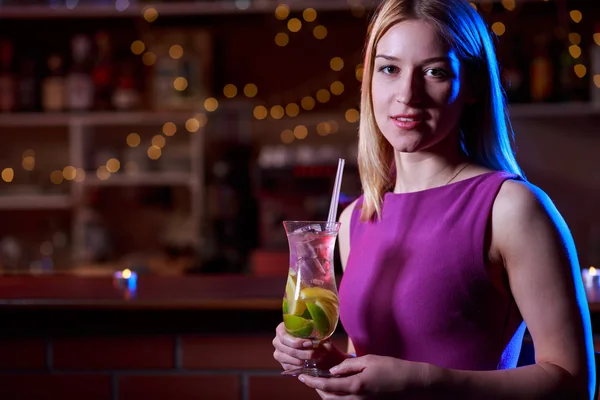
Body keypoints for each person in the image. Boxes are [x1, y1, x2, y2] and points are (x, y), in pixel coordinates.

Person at [272, 0, 596, 398]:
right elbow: (367, 378)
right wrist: (328, 370)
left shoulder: (511, 208)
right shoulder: (356, 217)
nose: (407, 94)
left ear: (474, 85)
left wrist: (421, 381)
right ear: (370, 80)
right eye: (389, 68)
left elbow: (574, 383)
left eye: (434, 72)